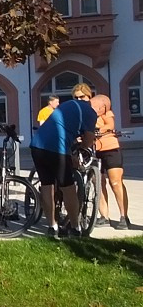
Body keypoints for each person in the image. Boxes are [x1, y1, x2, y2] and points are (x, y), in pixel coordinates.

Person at [30, 91, 101, 238]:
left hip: (37, 144)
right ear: (100, 107)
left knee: (47, 185)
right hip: (57, 149)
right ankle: (75, 228)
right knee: (68, 187)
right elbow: (88, 140)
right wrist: (79, 152)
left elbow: (62, 127)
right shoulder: (91, 113)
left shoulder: (67, 104)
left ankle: (52, 226)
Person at [91, 94, 130, 230]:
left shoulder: (107, 113)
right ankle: (104, 216)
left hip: (110, 148)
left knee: (115, 182)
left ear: (103, 106)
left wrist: (96, 130)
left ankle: (124, 216)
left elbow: (110, 124)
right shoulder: (87, 113)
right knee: (98, 183)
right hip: (94, 150)